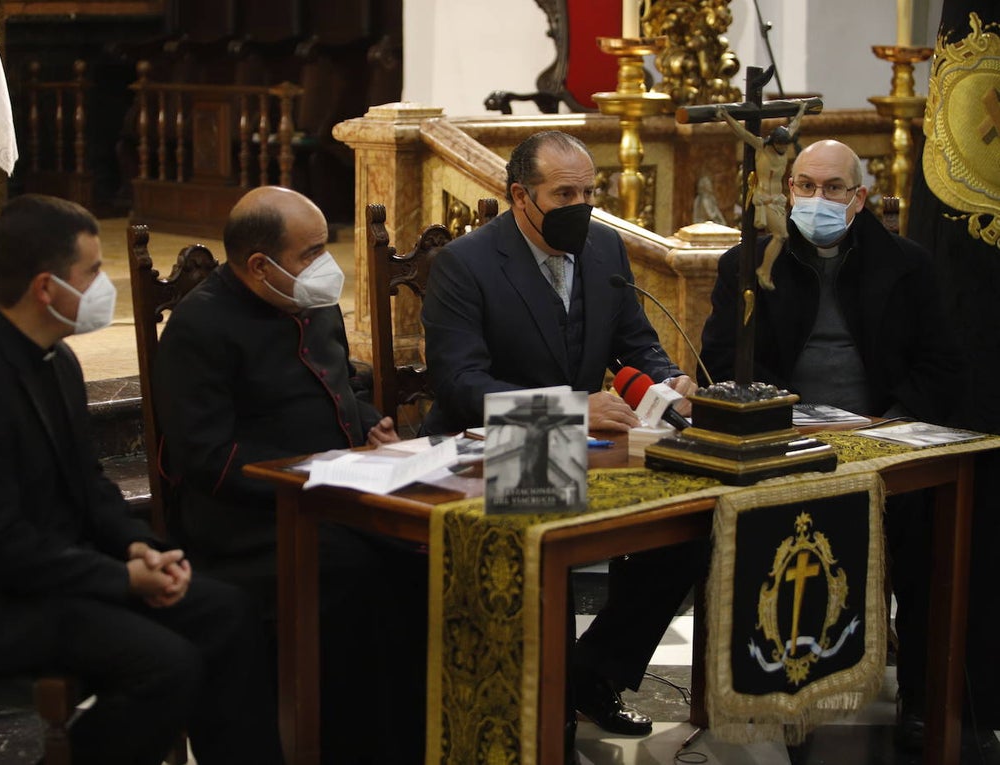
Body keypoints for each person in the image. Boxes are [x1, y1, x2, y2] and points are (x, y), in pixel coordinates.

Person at [0, 194, 282, 765]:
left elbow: (90, 484)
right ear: (46, 289)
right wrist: (122, 579)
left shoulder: (58, 358)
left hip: (51, 576)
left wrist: (142, 549)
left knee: (227, 612)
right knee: (166, 665)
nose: (106, 284)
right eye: (94, 272)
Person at [420, 130, 706, 749]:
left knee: (694, 521)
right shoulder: (464, 264)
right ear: (521, 196)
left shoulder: (604, 248)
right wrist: (573, 411)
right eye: (565, 193)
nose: (581, 205)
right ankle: (540, 717)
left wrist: (667, 381)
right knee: (545, 530)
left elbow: (638, 342)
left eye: (588, 191)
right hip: (496, 448)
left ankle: (590, 674)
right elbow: (462, 386)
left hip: (595, 449)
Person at [700, 139, 963, 749]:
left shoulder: (907, 264)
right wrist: (780, 419)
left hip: (883, 439)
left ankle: (922, 693)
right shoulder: (748, 264)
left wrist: (889, 424)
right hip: (787, 443)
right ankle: (773, 692)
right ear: (787, 190)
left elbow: (944, 366)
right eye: (804, 186)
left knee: (927, 534)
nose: (817, 200)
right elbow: (720, 361)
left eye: (834, 189)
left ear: (860, 198)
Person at [153, 186, 424, 764]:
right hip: (248, 522)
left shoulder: (312, 301)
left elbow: (346, 383)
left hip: (337, 496)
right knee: (357, 571)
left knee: (424, 554)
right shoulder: (199, 328)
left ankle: (412, 741)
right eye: (312, 252)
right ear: (259, 265)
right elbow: (206, 459)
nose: (327, 266)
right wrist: (311, 481)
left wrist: (373, 425)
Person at [717, 101, 806, 290]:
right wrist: (727, 117)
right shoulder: (762, 147)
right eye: (780, 145)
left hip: (777, 199)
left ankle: (766, 271)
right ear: (774, 142)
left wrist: (802, 110)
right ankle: (764, 271)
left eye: (785, 146)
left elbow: (794, 125)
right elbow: (743, 133)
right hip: (764, 198)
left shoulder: (784, 142)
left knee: (782, 236)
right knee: (780, 235)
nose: (783, 149)